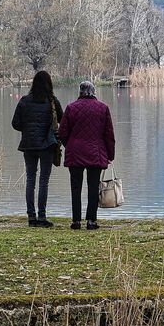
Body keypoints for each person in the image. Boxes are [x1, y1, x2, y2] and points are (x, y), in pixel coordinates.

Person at [57, 80, 115, 231]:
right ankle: (91, 221)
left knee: (75, 187)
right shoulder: (103, 108)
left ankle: (76, 221)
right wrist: (110, 154)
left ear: (80, 91)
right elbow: (109, 134)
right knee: (93, 187)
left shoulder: (71, 108)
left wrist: (69, 145)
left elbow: (62, 132)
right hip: (95, 152)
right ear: (94, 91)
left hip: (75, 152)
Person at [11, 70, 64, 227]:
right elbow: (62, 120)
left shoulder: (24, 101)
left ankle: (31, 217)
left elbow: (15, 123)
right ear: (49, 84)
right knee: (43, 181)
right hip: (47, 145)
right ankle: (42, 217)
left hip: (28, 145)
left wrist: (27, 129)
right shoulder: (52, 102)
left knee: (30, 179)